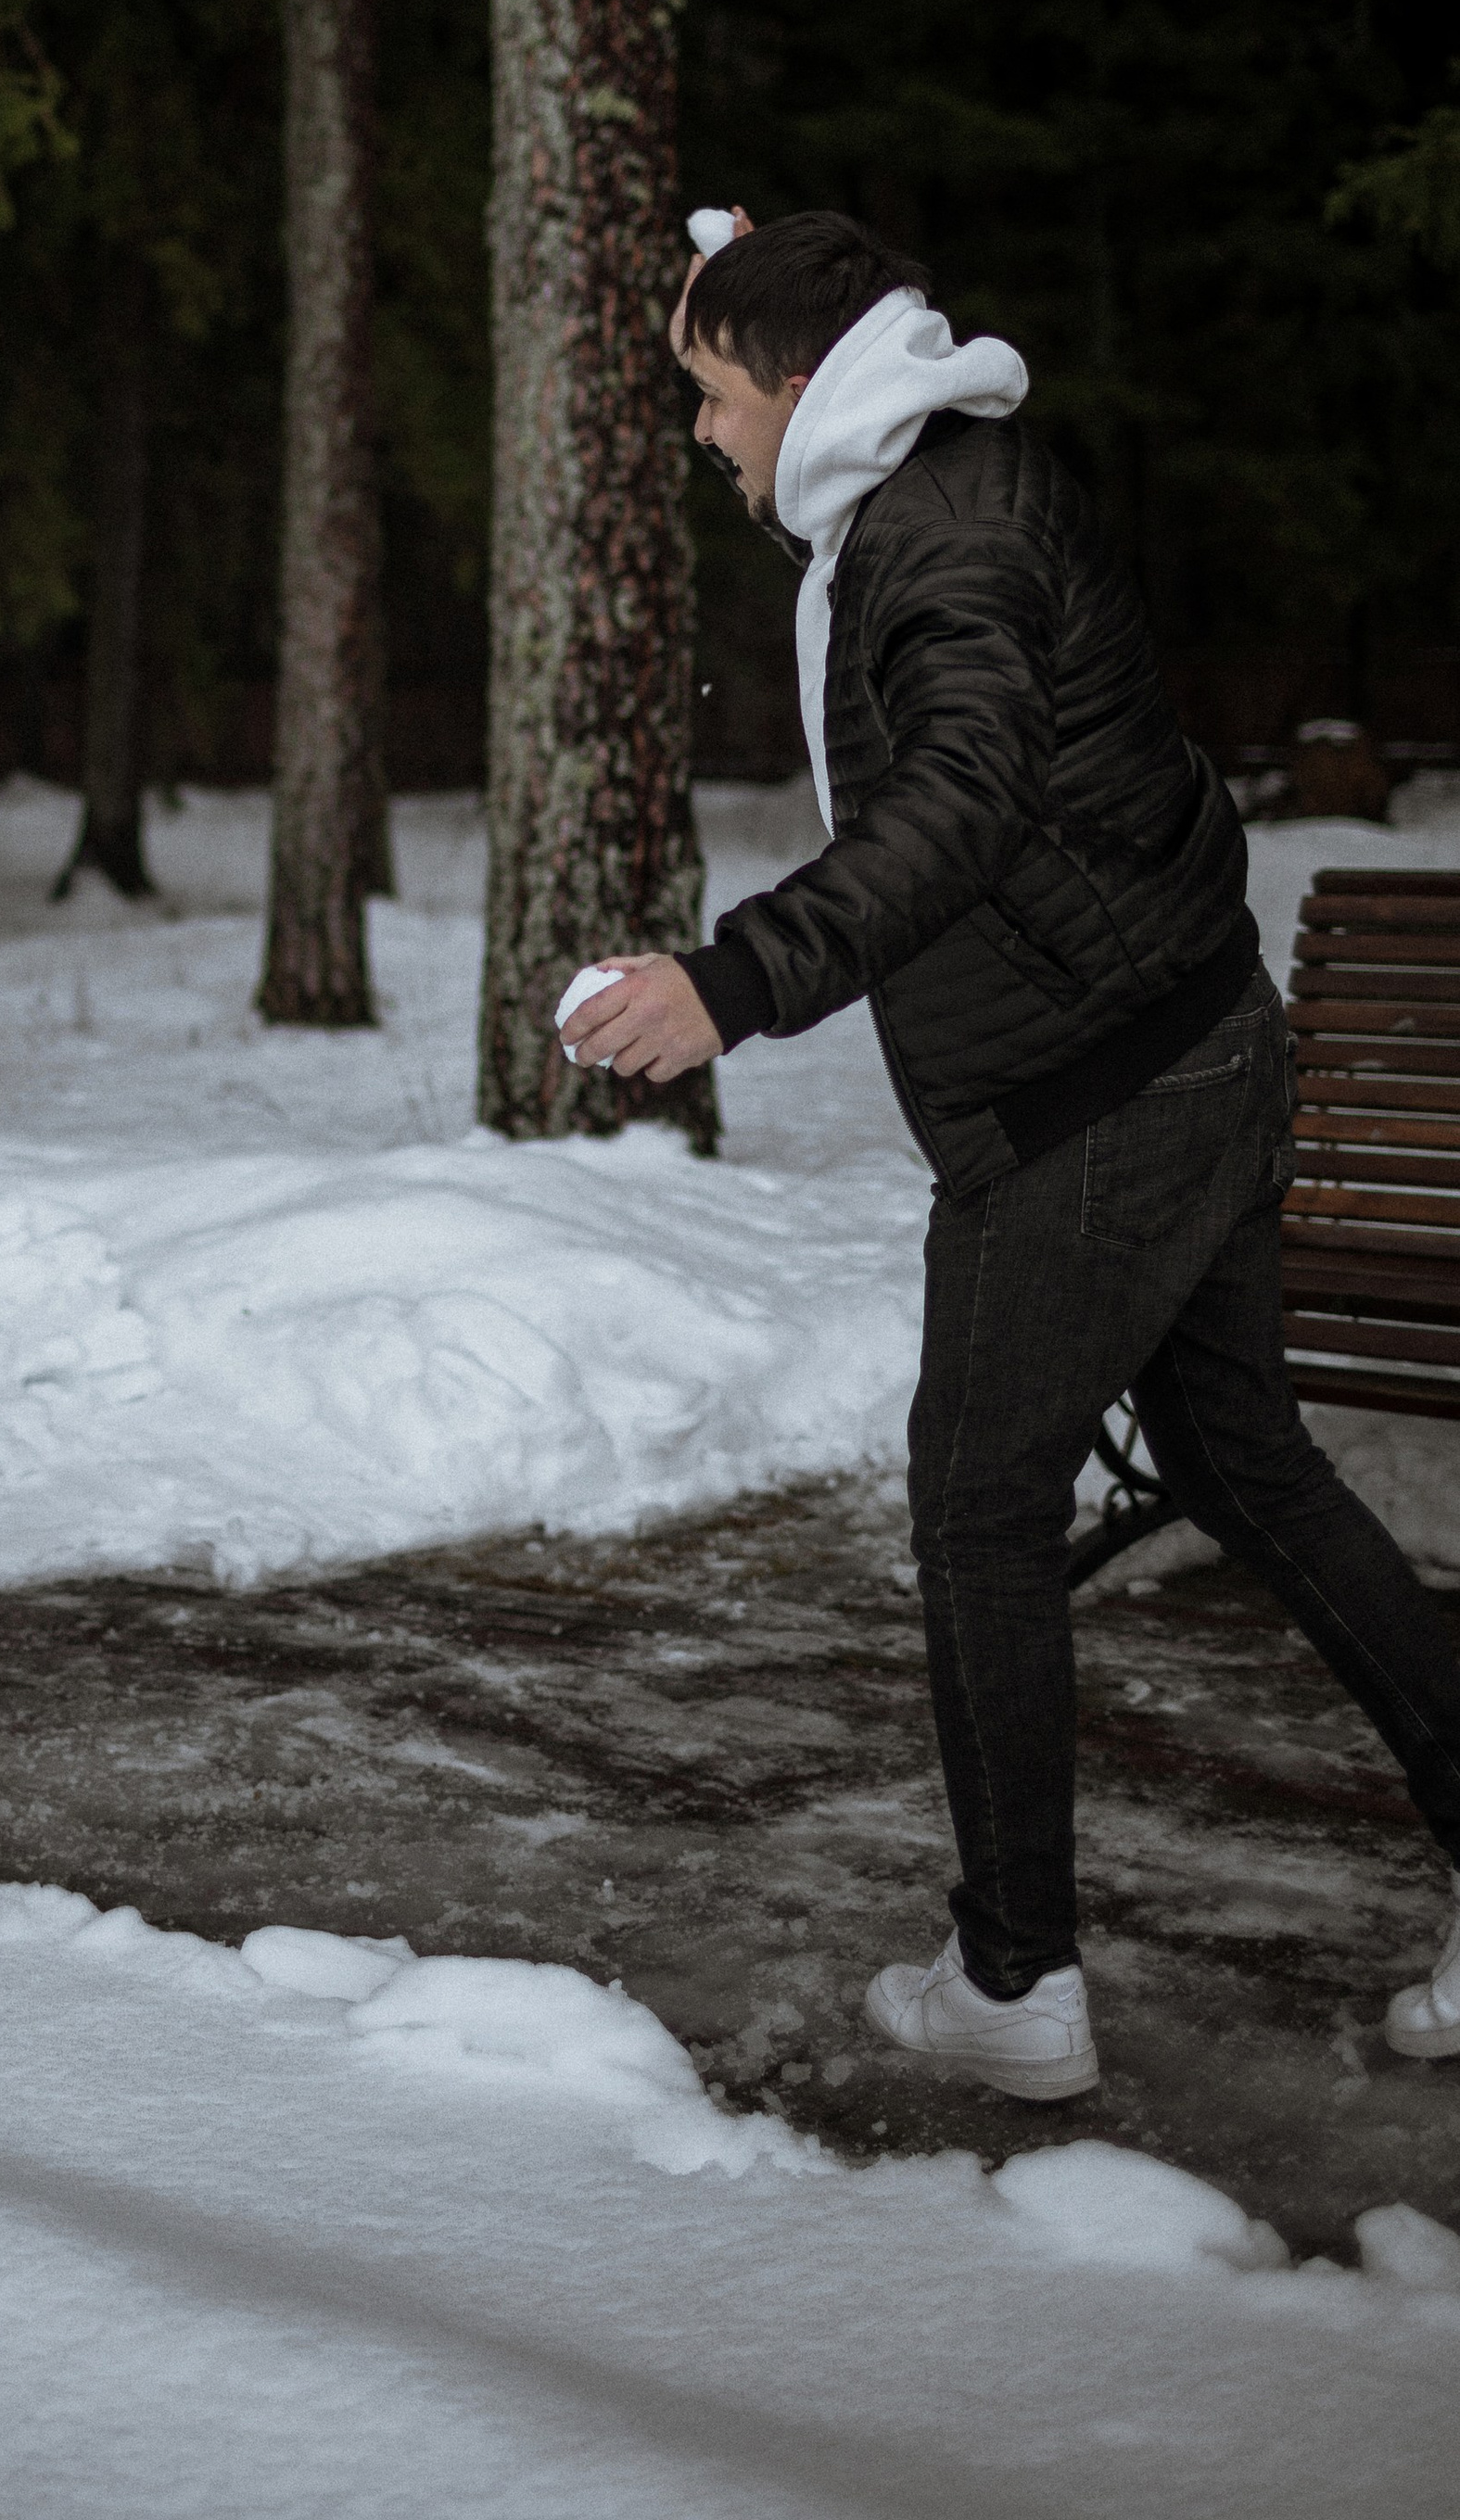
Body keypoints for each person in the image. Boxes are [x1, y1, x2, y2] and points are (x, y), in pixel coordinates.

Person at [561, 209, 1460, 2099]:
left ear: (799, 385)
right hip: (1185, 1036)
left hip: (1091, 1110)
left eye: (708, 394)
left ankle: (1014, 1976)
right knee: (1247, 1462)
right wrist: (724, 251)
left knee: (975, 1509)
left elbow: (958, 801)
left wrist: (732, 980)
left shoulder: (932, 543)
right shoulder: (933, 470)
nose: (699, 435)